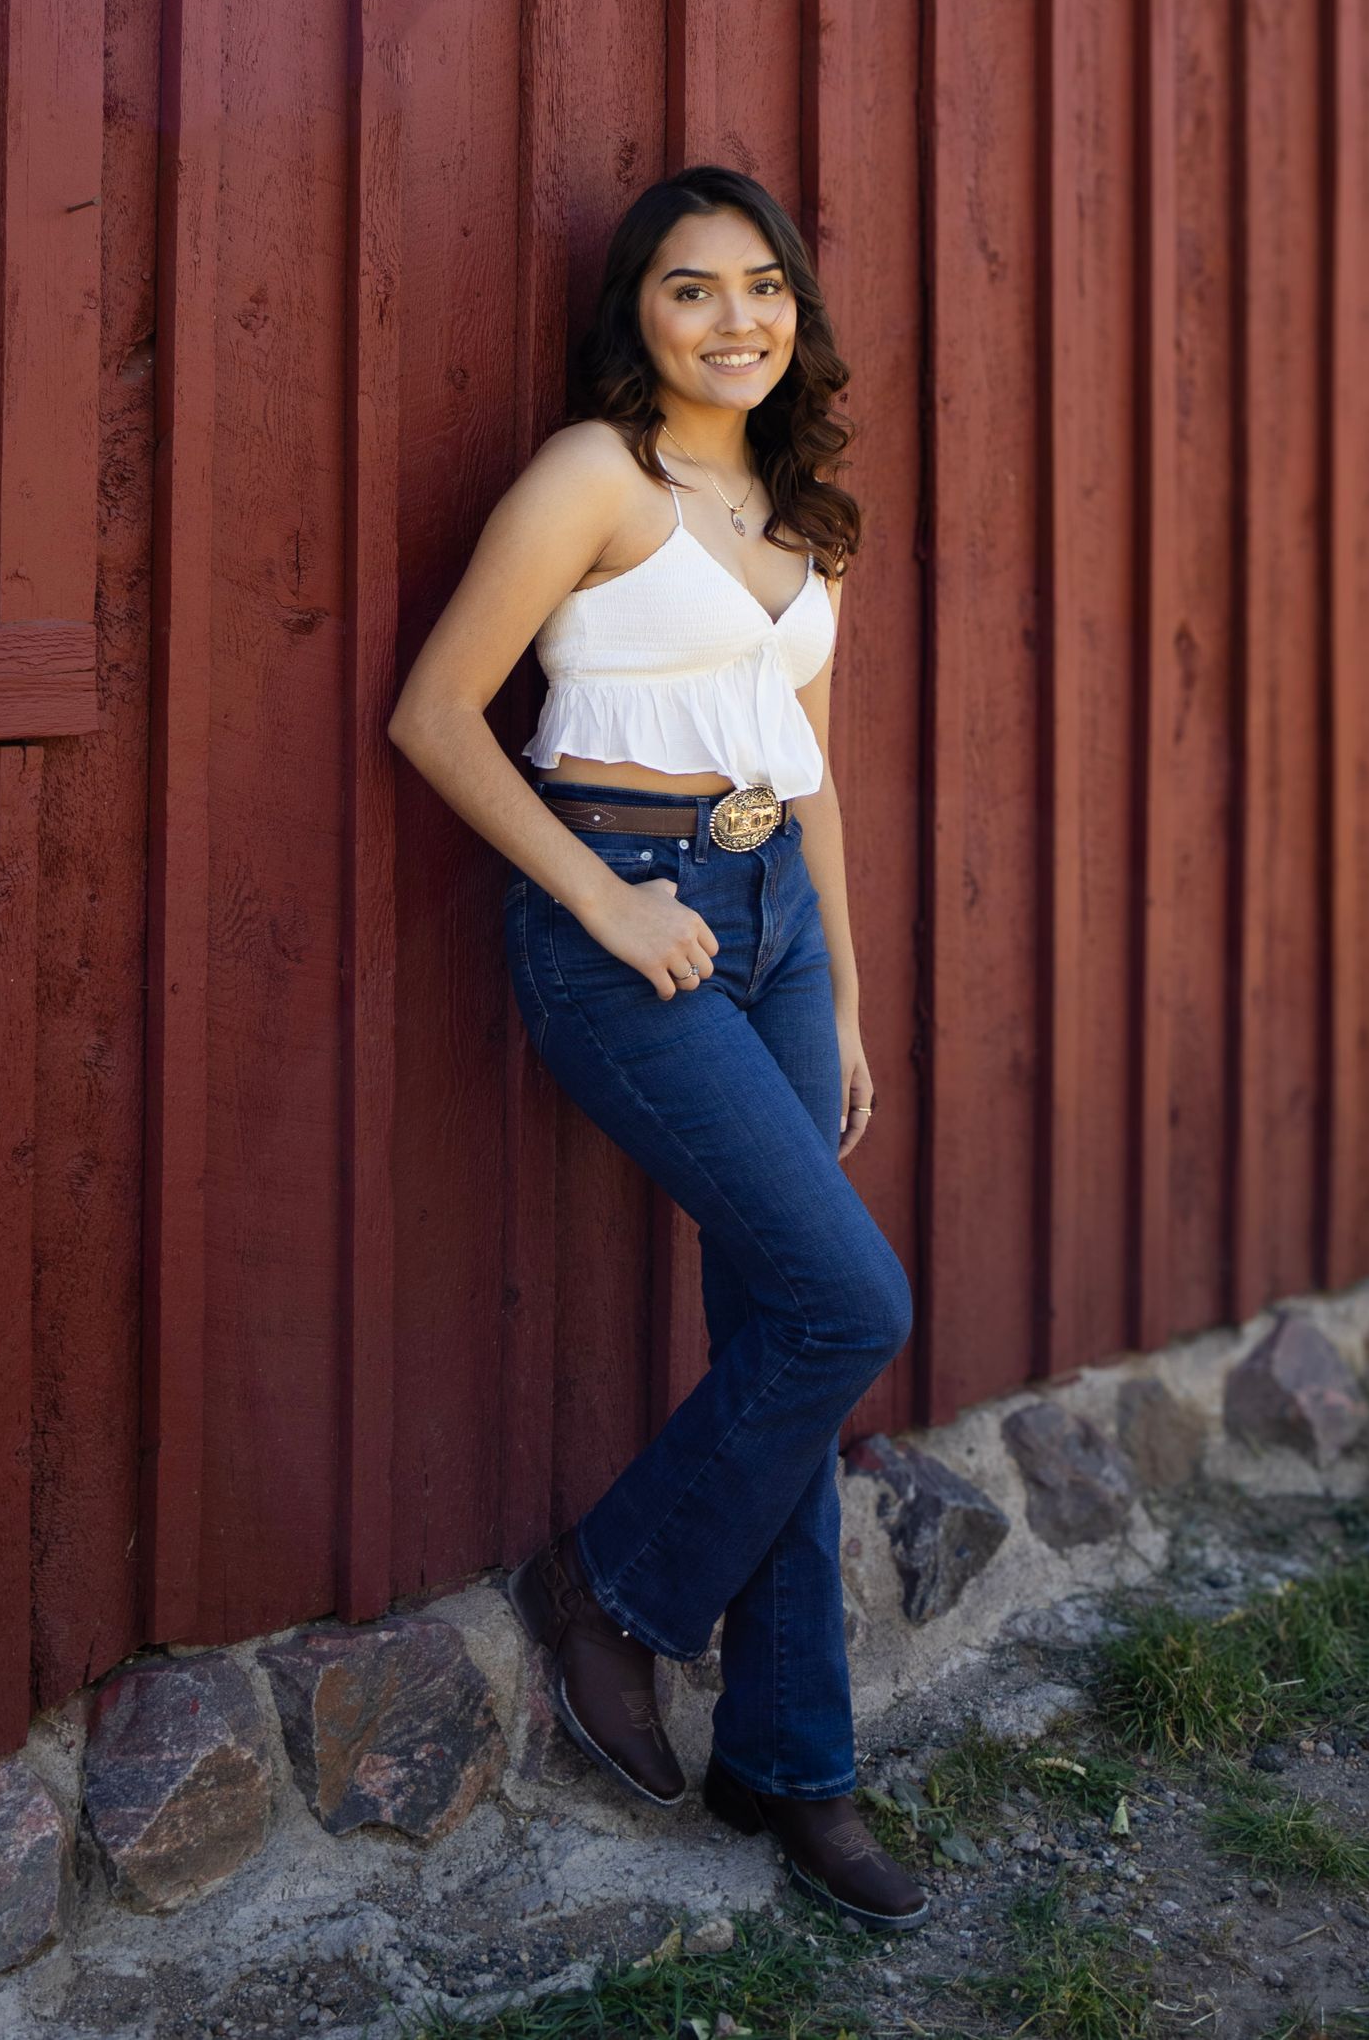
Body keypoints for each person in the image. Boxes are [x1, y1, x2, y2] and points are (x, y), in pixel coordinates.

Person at [386, 165, 926, 1931]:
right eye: (692, 291)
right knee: (853, 1307)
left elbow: (806, 756)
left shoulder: (799, 508)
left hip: (766, 926)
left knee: (789, 1320)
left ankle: (793, 1761)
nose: (736, 320)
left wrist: (838, 986)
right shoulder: (591, 478)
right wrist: (606, 904)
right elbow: (438, 714)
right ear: (638, 315)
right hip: (624, 916)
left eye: (763, 287)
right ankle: (611, 1593)